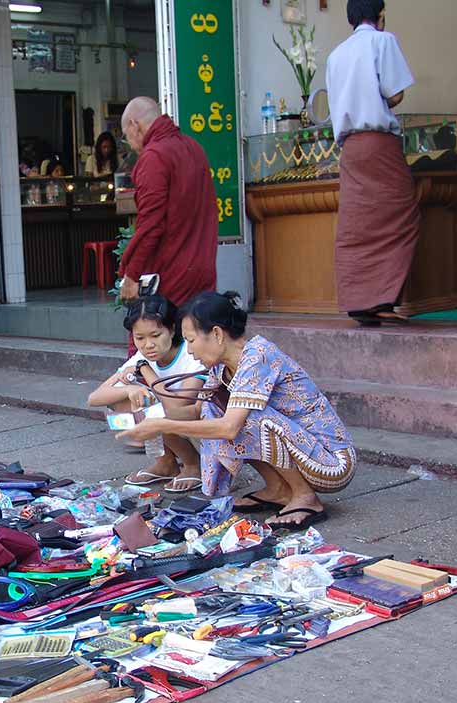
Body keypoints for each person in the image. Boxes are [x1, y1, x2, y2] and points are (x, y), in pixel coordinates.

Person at [119, 291, 357, 528]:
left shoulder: (258, 356)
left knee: (245, 417)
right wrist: (150, 409)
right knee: (216, 409)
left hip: (333, 464)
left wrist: (162, 425)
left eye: (191, 340)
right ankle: (278, 489)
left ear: (216, 334)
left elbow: (229, 428)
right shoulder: (220, 367)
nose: (189, 350)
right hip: (304, 451)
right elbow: (196, 413)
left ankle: (305, 497)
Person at [326, 0, 418, 326]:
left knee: (357, 223)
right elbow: (394, 94)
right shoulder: (383, 41)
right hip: (379, 143)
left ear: (351, 19)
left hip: (350, 148)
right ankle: (381, 298)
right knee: (401, 215)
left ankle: (358, 299)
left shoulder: (336, 55)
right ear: (380, 16)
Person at [87, 295, 204, 493]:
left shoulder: (191, 353)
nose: (148, 345)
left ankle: (193, 464)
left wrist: (145, 371)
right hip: (175, 423)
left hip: (202, 428)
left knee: (154, 409)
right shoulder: (143, 356)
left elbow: (178, 409)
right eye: (140, 338)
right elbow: (94, 398)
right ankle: (166, 463)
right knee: (124, 400)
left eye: (155, 335)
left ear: (172, 329)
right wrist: (129, 389)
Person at [116, 97, 217, 310]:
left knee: (160, 329)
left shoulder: (154, 156)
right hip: (202, 267)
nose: (130, 145)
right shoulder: (194, 147)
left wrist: (132, 274)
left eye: (126, 137)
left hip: (170, 271)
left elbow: (151, 224)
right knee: (197, 328)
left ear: (134, 125)